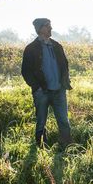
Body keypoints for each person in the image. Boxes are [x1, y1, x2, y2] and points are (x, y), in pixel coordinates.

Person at [21, 18, 72, 148]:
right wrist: (36, 87)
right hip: (42, 91)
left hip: (59, 90)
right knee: (41, 121)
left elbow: (65, 65)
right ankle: (40, 147)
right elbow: (26, 71)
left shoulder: (57, 46)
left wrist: (64, 82)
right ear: (40, 29)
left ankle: (66, 146)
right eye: (48, 26)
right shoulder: (31, 49)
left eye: (50, 25)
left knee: (63, 121)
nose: (51, 28)